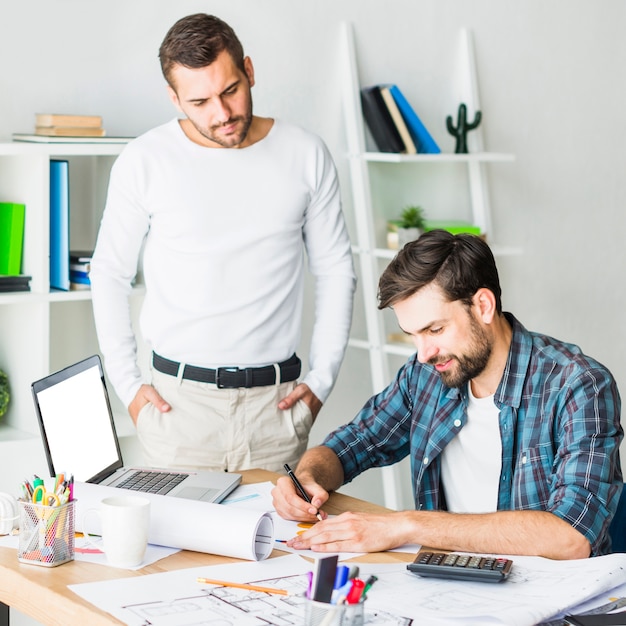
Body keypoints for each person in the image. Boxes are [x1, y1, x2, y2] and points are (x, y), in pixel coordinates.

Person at [89, 13, 356, 473]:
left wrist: (321, 382)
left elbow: (336, 270)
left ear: (249, 71)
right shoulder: (145, 160)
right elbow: (108, 272)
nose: (222, 113)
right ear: (174, 98)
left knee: (282, 546)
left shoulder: (305, 154)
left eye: (230, 90)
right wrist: (129, 389)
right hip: (178, 412)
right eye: (200, 101)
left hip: (277, 411)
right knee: (174, 547)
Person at [272, 230, 623, 559]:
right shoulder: (424, 375)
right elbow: (353, 444)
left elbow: (572, 536)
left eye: (435, 329)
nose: (424, 352)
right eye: (413, 335)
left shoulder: (579, 385)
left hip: (554, 607)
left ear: (483, 305)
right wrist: (307, 477)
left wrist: (407, 525)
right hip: (447, 586)